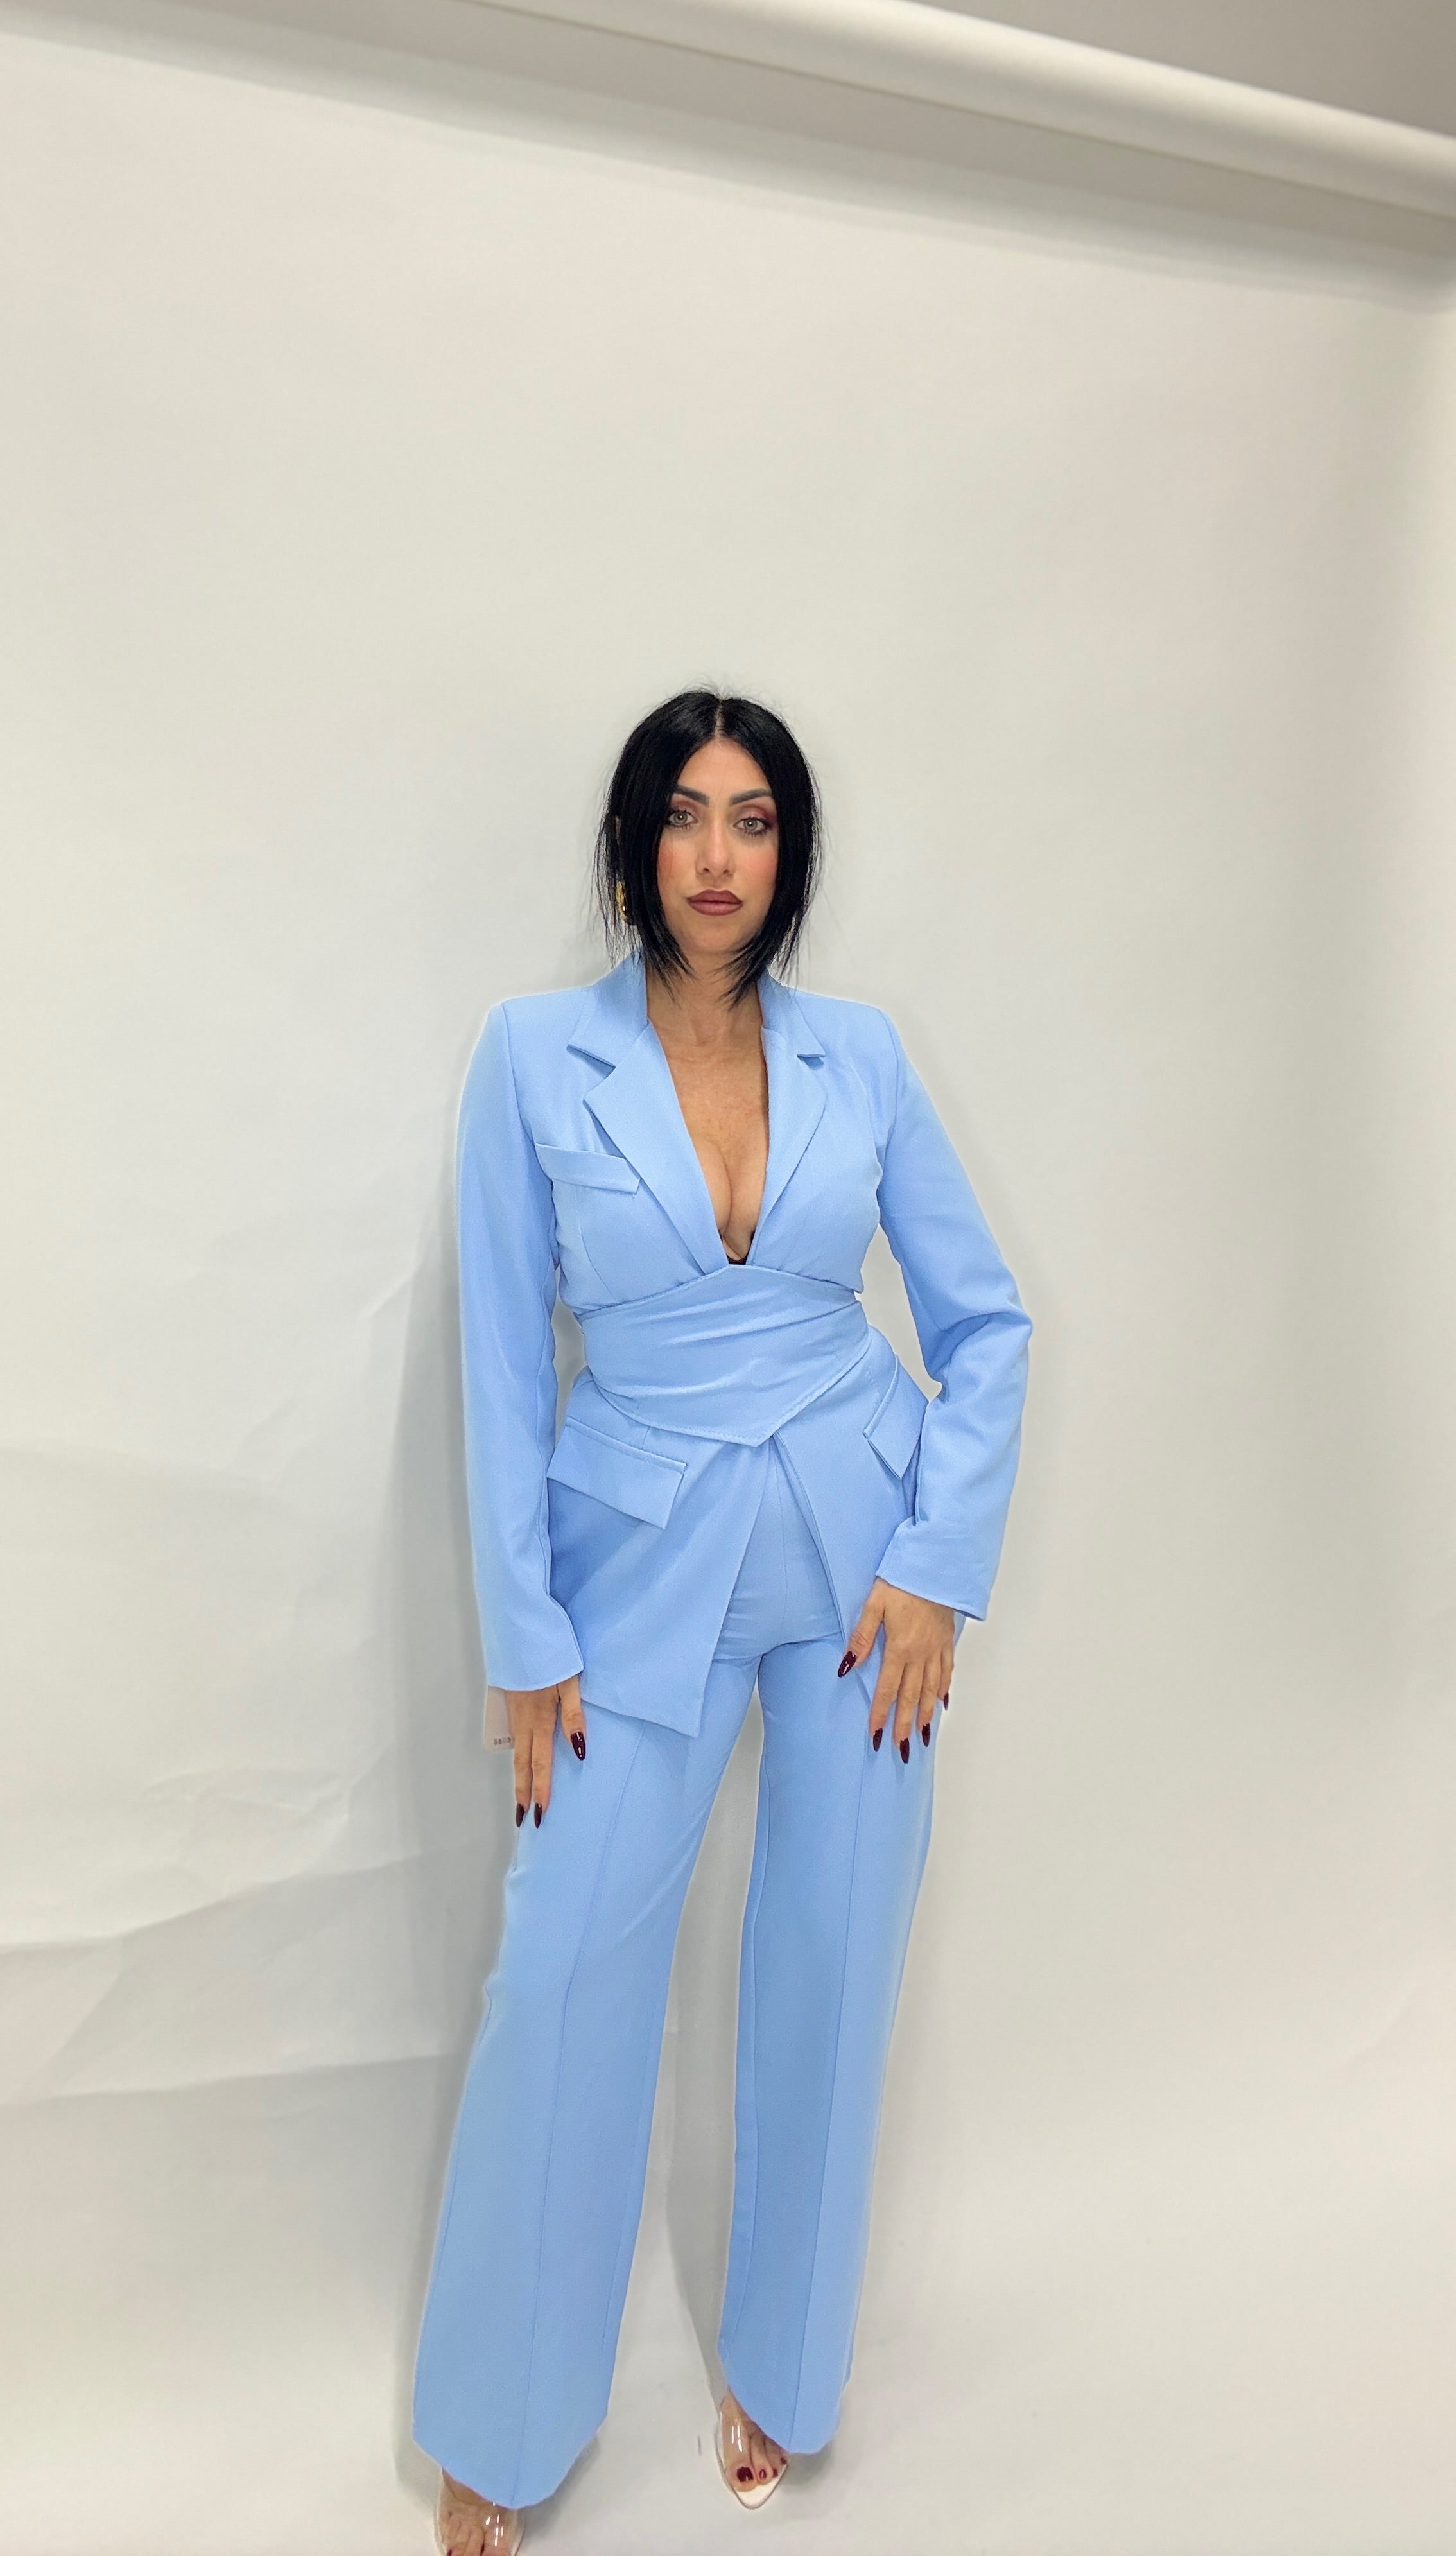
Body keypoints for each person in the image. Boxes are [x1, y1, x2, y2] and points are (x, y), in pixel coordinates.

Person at [412, 690, 1032, 2554]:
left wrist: (939, 1563)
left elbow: (985, 1321)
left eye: (752, 820)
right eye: (684, 816)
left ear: (788, 855)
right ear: (634, 844)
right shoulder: (533, 1056)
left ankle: (783, 2363)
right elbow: (502, 1362)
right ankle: (502, 2418)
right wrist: (525, 1634)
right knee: (561, 1970)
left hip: (861, 1568)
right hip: (632, 1575)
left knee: (833, 1961)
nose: (715, 855)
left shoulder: (864, 1055)